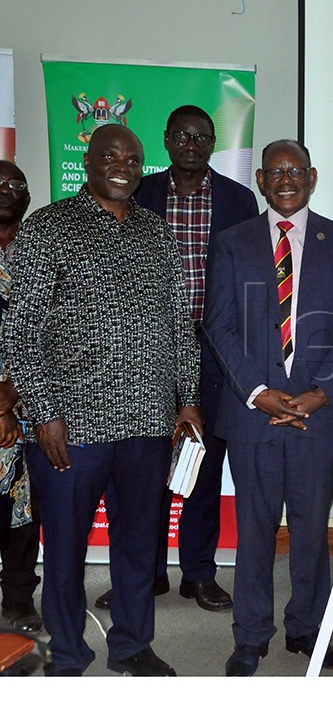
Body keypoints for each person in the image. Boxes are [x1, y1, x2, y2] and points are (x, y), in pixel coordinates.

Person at [1, 125, 201, 676]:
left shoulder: (158, 235)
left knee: (138, 545)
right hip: (72, 427)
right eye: (110, 156)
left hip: (148, 421)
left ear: (143, 167)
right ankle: (67, 651)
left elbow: (179, 327)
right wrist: (43, 414)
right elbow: (19, 332)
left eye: (133, 159)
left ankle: (133, 645)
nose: (123, 165)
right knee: (64, 549)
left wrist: (188, 399)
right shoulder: (49, 228)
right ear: (87, 161)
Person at [203, 140, 333, 676]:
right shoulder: (232, 242)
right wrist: (257, 391)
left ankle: (308, 628)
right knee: (253, 530)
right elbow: (219, 325)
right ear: (260, 180)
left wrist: (321, 394)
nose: (286, 180)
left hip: (320, 412)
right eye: (274, 172)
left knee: (311, 526)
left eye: (295, 171)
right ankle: (250, 635)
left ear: (312, 177)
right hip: (253, 412)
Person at [95, 105, 258, 613]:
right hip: (145, 351)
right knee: (140, 467)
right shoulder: (137, 192)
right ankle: (146, 573)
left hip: (213, 351)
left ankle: (199, 573)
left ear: (212, 143)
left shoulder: (238, 200)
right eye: (182, 135)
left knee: (202, 467)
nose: (192, 143)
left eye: (202, 136)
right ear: (165, 140)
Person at [0, 160, 41, 635]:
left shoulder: (40, 251)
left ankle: (18, 598)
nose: (7, 190)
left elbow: (59, 330)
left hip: (30, 404)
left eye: (16, 184)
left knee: (24, 508)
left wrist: (12, 399)